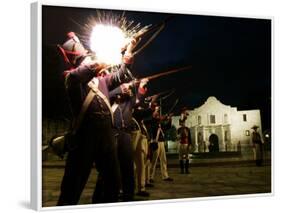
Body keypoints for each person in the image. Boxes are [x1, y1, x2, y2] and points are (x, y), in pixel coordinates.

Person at [56, 32, 137, 205]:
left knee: (113, 183)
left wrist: (128, 51)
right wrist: (109, 54)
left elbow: (120, 75)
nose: (89, 60)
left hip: (106, 136)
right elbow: (84, 72)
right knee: (72, 188)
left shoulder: (101, 80)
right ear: (77, 61)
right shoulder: (71, 78)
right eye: (86, 58)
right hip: (84, 137)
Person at [108, 78, 149, 200]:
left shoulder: (127, 102)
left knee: (128, 166)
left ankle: (128, 193)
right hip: (113, 133)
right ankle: (116, 190)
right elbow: (108, 94)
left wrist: (141, 87)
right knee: (114, 165)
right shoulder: (109, 100)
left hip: (126, 134)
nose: (127, 90)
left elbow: (137, 102)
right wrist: (120, 89)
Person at [149, 105, 173, 182]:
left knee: (164, 160)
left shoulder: (160, 123)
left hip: (161, 142)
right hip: (156, 142)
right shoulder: (153, 122)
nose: (158, 115)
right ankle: (150, 177)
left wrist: (169, 119)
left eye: (158, 114)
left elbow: (167, 127)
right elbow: (154, 123)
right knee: (154, 160)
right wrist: (161, 119)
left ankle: (165, 176)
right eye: (157, 115)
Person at [177, 108, 192, 174]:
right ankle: (182, 170)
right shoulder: (179, 129)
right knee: (180, 158)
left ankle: (186, 170)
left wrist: (190, 144)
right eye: (181, 122)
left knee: (187, 157)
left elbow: (189, 137)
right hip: (181, 144)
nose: (182, 123)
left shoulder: (187, 129)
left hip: (186, 144)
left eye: (183, 122)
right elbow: (177, 137)